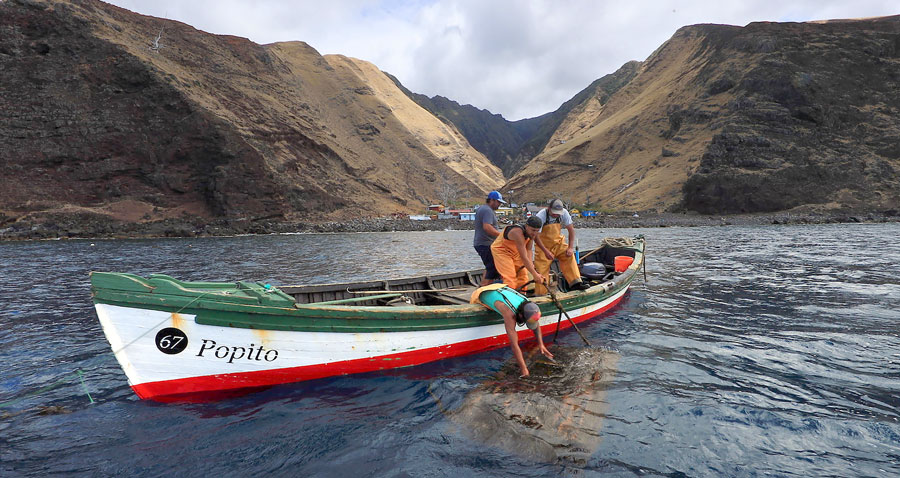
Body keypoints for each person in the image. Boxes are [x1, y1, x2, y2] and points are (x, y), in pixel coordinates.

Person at [470, 283, 553, 377]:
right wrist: (524, 369)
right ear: (521, 316)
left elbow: (536, 324)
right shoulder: (510, 314)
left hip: (497, 287)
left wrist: (541, 344)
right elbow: (514, 345)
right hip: (480, 293)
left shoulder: (528, 304)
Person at [534, 199, 589, 294]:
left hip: (558, 243)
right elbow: (535, 236)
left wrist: (570, 247)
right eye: (554, 213)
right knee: (541, 269)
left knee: (569, 256)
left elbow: (571, 230)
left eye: (558, 213)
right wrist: (546, 251)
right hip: (543, 246)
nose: (556, 215)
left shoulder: (564, 213)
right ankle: (541, 293)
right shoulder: (541, 216)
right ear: (549, 208)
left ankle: (575, 283)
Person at [490, 215, 553, 291]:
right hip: (502, 251)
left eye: (537, 231)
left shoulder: (532, 234)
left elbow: (529, 250)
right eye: (533, 230)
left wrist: (531, 266)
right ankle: (509, 299)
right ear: (526, 226)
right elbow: (523, 257)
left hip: (515, 251)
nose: (535, 234)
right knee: (510, 277)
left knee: (523, 277)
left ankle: (522, 297)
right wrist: (535, 274)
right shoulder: (517, 233)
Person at [473, 190, 505, 286]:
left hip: (482, 244)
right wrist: (502, 236)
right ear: (492, 200)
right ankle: (483, 291)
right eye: (498, 202)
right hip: (485, 244)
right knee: (492, 269)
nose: (499, 204)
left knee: (489, 267)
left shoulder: (483, 209)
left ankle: (481, 288)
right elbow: (487, 227)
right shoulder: (487, 210)